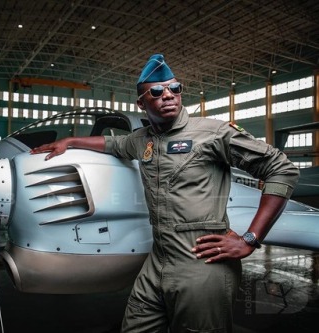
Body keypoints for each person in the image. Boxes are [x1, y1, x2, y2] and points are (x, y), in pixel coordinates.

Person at [30, 54, 299, 332]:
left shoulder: (213, 133)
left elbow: (282, 170)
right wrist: (71, 141)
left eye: (175, 88)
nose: (168, 96)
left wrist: (250, 239)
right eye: (157, 91)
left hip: (202, 262)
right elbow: (113, 144)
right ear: (141, 103)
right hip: (157, 260)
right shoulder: (142, 140)